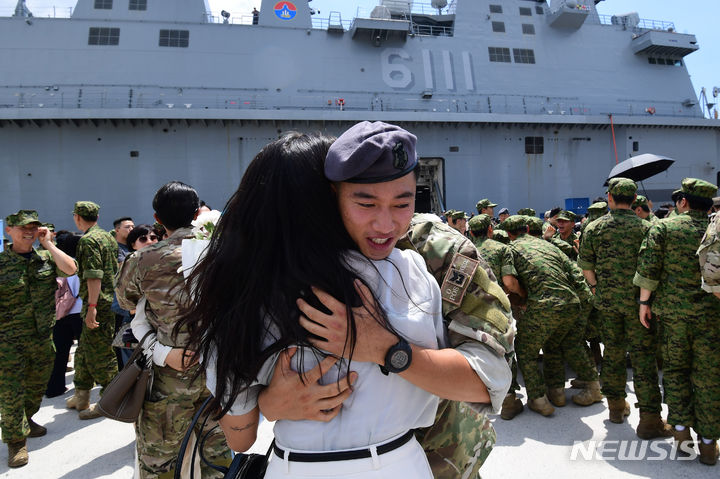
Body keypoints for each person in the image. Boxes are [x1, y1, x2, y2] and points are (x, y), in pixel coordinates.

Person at [182, 123, 495, 478]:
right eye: (363, 200)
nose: (385, 222)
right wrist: (389, 350)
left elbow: (240, 439)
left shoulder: (236, 291)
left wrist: (270, 402)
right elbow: (488, 379)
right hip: (401, 460)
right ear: (329, 200)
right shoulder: (406, 268)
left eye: (400, 202)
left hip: (296, 466)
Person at [116, 182, 231, 478]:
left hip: (167, 379)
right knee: (218, 456)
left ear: (157, 219)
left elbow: (124, 299)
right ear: (197, 213)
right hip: (217, 375)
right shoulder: (224, 254)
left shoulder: (143, 260)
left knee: (160, 462)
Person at [634, 178, 720, 465]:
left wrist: (645, 303)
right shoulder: (715, 229)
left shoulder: (664, 227)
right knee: (709, 377)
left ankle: (682, 436)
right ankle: (709, 444)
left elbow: (649, 268)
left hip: (673, 316)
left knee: (675, 371)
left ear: (683, 202)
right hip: (711, 315)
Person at [578, 178, 669, 437]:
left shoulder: (594, 227)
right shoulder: (647, 228)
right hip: (641, 306)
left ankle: (616, 407)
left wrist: (596, 288)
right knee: (643, 359)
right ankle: (650, 419)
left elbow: (586, 265)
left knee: (613, 355)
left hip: (607, 304)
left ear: (609, 198)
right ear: (634, 200)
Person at [502, 215, 601, 415]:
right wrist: (585, 305)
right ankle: (564, 392)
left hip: (544, 304)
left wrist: (521, 296)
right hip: (572, 302)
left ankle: (539, 399)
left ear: (508, 234)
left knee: (525, 350)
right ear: (528, 228)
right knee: (554, 344)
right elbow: (575, 272)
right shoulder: (548, 246)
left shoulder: (510, 250)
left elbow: (510, 282)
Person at [0, 210, 76, 468]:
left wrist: (49, 243)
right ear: (8, 230)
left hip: (43, 337)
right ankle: (15, 441)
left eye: (34, 227)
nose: (29, 232)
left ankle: (28, 418)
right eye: (22, 227)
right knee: (11, 391)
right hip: (8, 341)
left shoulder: (45, 257)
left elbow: (71, 269)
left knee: (36, 385)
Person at [65, 201, 119, 420]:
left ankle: (111, 400)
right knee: (85, 350)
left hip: (99, 303)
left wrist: (92, 307)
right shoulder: (107, 236)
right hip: (106, 300)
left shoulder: (88, 240)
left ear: (78, 217)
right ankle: (82, 394)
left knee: (101, 354)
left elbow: (94, 275)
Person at [45, 231, 84, 398]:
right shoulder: (76, 266)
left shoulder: (56, 265)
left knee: (60, 352)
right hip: (80, 313)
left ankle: (54, 387)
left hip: (60, 314)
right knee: (85, 351)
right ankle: (86, 383)